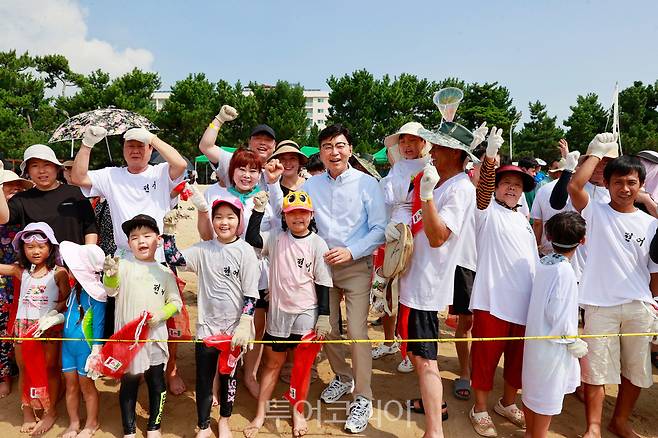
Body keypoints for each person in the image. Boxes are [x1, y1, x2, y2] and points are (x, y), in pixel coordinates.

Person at [71, 125, 188, 395]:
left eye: (141, 145)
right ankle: (133, 364)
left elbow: (180, 163)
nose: (135, 150)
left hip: (158, 254)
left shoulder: (160, 172)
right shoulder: (111, 175)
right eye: (130, 145)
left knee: (169, 319)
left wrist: (154, 137)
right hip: (125, 257)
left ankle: (170, 370)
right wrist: (88, 143)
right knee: (128, 315)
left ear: (149, 149)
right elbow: (78, 177)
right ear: (123, 149)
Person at [567, 134, 658, 438]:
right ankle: (593, 427)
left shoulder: (651, 225)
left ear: (640, 185)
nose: (625, 188)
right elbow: (574, 186)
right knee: (596, 370)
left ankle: (619, 421)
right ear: (606, 184)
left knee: (635, 370)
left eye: (632, 182)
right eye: (618, 182)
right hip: (599, 304)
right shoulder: (596, 212)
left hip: (637, 305)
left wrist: (650, 299)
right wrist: (595, 152)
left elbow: (654, 271)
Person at [302, 124, 386, 434]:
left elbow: (379, 229)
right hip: (322, 269)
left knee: (357, 330)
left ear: (349, 149)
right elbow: (300, 224)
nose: (334, 152)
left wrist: (351, 251)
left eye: (339, 145)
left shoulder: (367, 184)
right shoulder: (310, 187)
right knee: (327, 327)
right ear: (320, 153)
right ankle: (342, 375)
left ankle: (362, 396)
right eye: (327, 146)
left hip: (356, 266)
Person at [397, 122, 478, 438]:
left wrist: (427, 196)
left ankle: (434, 431)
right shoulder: (442, 182)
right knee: (418, 355)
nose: (431, 150)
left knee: (427, 360)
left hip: (428, 287)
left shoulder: (460, 188)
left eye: (438, 146)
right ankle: (436, 407)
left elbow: (437, 237)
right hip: (415, 280)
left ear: (456, 153)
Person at [162, 198, 259, 438]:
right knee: (204, 380)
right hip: (207, 329)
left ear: (239, 221)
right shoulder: (204, 249)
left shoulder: (245, 251)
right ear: (212, 221)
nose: (224, 222)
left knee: (229, 379)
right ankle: (204, 425)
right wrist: (168, 233)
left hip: (234, 331)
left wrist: (245, 324)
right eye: (218, 217)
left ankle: (224, 420)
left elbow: (251, 294)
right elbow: (175, 260)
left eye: (230, 217)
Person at [243, 190, 333, 438]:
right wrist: (258, 211)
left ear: (311, 214)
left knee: (301, 367)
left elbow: (323, 282)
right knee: (273, 363)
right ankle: (260, 413)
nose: (298, 218)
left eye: (303, 213)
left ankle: (297, 411)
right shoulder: (276, 238)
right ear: (285, 215)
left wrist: (323, 316)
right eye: (293, 213)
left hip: (306, 312)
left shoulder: (317, 243)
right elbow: (252, 238)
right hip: (279, 314)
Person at [195, 147, 282, 398]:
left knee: (256, 325)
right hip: (220, 270)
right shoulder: (215, 193)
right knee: (218, 324)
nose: (247, 175)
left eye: (253, 171)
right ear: (231, 171)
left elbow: (279, 225)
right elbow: (205, 234)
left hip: (258, 271)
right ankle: (214, 380)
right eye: (241, 169)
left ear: (260, 175)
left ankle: (249, 375)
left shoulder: (267, 196)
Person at [468, 127, 537, 437]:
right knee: (485, 358)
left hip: (524, 303)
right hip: (492, 300)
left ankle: (507, 403)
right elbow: (482, 191)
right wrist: (491, 158)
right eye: (506, 183)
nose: (512, 188)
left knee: (518, 358)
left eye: (517, 185)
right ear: (497, 187)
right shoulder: (486, 211)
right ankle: (479, 407)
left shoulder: (522, 218)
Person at [102, 214, 182, 438]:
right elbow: (110, 290)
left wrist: (160, 315)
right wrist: (109, 275)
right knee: (129, 383)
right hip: (128, 341)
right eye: (134, 237)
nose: (141, 241)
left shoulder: (165, 272)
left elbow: (175, 303)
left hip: (156, 338)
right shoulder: (123, 266)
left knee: (157, 381)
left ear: (158, 239)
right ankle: (129, 430)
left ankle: (154, 426)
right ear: (128, 243)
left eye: (147, 235)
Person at [0, 222, 70, 436]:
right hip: (22, 327)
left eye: (41, 245)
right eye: (30, 246)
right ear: (22, 249)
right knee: (25, 369)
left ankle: (50, 412)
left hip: (46, 328)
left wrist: (53, 313)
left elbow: (66, 298)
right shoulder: (20, 270)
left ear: (50, 247)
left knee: (50, 368)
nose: (36, 251)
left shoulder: (59, 273)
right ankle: (28, 412)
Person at [522, 212, 587, 438]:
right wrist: (573, 341)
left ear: (548, 236)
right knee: (545, 398)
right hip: (552, 349)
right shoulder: (565, 272)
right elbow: (559, 315)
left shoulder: (543, 264)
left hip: (535, 343)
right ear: (582, 240)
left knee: (533, 392)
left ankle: (530, 433)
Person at [372, 121, 430, 374]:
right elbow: (384, 203)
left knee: (408, 296)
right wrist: (383, 227)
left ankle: (409, 350)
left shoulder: (430, 169)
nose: (406, 146)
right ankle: (389, 341)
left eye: (412, 141)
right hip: (390, 234)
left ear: (423, 143)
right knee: (385, 291)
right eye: (402, 141)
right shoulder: (396, 171)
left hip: (415, 236)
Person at [0, 144, 98, 245]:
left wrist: (89, 252)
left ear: (56, 168)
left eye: (47, 164)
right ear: (28, 171)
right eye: (34, 166)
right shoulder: (21, 199)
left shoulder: (75, 193)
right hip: (38, 260)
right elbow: (3, 219)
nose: (41, 171)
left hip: (75, 259)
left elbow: (90, 227)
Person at [59, 242, 107, 438]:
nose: (69, 270)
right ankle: (74, 422)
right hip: (67, 347)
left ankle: (91, 422)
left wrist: (97, 350)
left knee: (86, 387)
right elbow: (69, 314)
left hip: (86, 349)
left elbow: (99, 325)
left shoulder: (97, 295)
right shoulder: (73, 290)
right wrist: (54, 317)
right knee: (70, 385)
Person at [0, 169, 33, 398]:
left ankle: (24, 372)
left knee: (24, 327)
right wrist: (10, 270)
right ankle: (4, 376)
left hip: (27, 281)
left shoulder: (25, 215)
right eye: (8, 186)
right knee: (2, 329)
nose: (14, 190)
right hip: (4, 282)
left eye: (18, 186)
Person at [198, 104, 276, 188]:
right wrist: (219, 119)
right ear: (249, 142)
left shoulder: (280, 170)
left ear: (275, 145)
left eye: (268, 140)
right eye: (258, 138)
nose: (262, 143)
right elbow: (206, 147)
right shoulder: (233, 161)